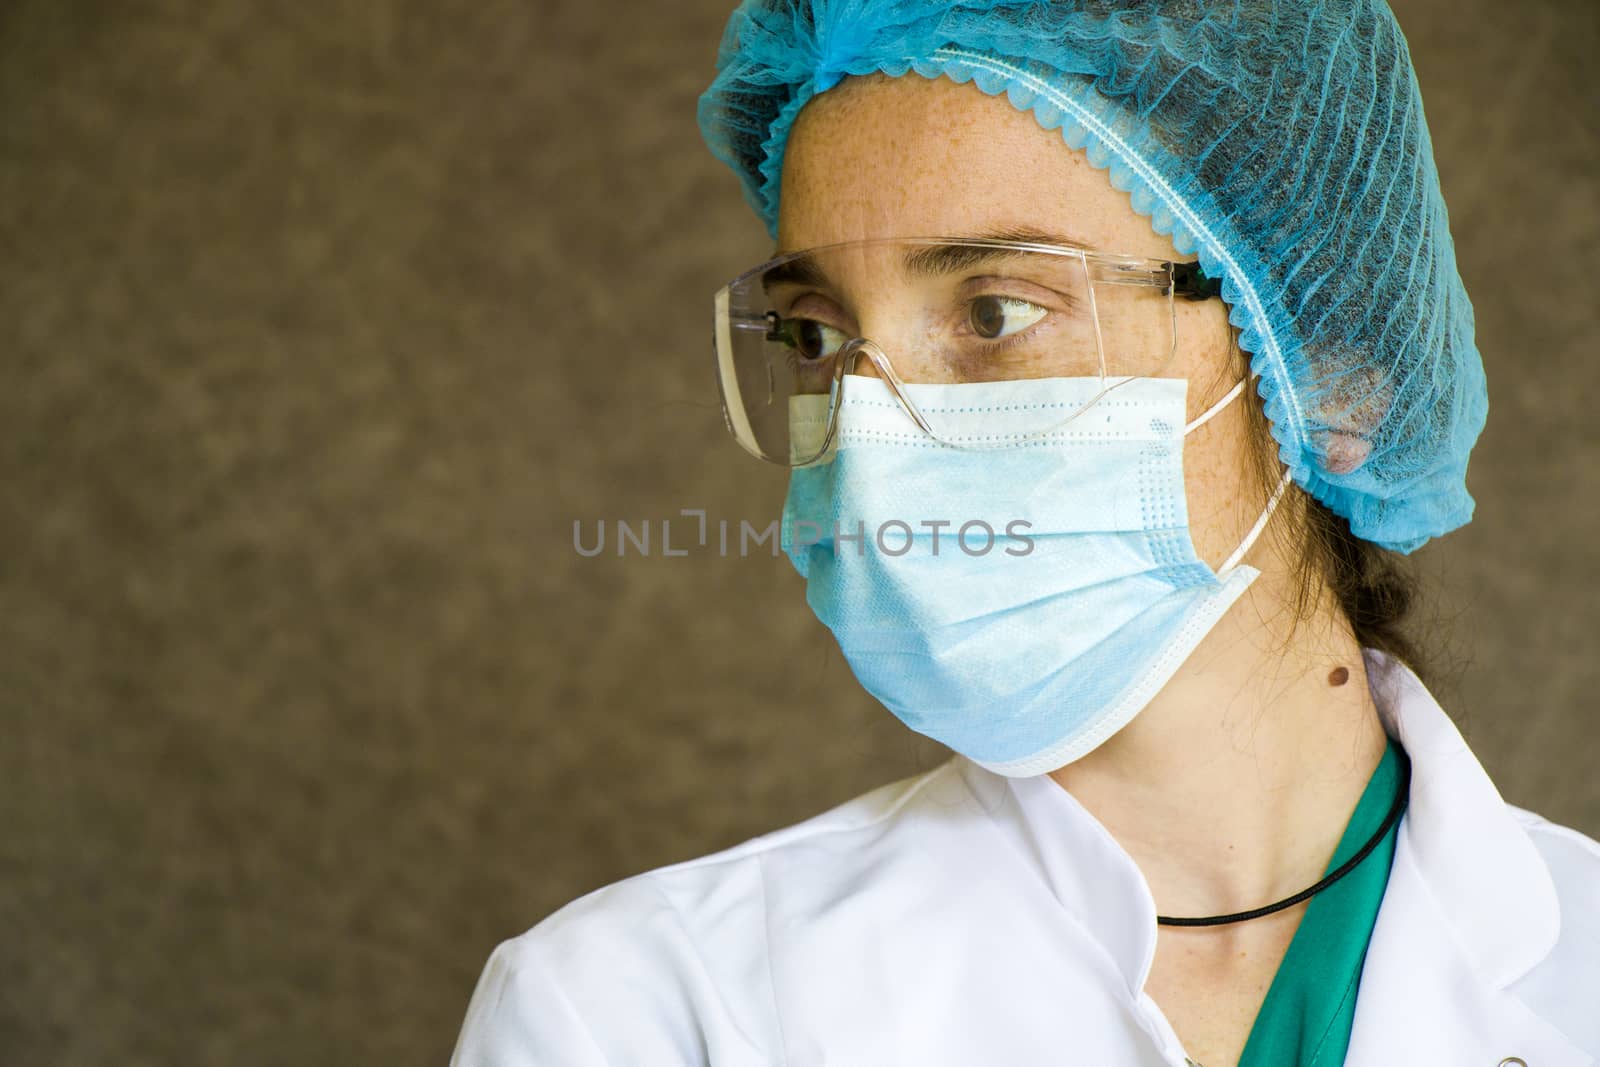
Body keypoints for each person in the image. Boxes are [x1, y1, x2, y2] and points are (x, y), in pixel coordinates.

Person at [451, 2, 1600, 1065]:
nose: (871, 438)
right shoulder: (639, 1006)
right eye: (814, 337)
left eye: (996, 311)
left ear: (1330, 380)